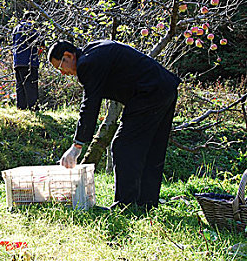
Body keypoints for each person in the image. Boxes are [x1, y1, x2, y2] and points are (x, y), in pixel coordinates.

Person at [47, 39, 180, 209]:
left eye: (60, 68)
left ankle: (125, 204)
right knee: (153, 147)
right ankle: (146, 203)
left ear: (68, 56)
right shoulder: (93, 51)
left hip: (149, 92)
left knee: (123, 145)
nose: (63, 74)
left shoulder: (87, 63)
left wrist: (77, 146)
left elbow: (90, 104)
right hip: (165, 86)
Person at [12, 12, 43, 110]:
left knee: (20, 86)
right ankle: (34, 109)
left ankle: (21, 108)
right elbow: (41, 44)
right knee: (31, 85)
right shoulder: (31, 28)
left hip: (17, 62)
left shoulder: (16, 29)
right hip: (29, 62)